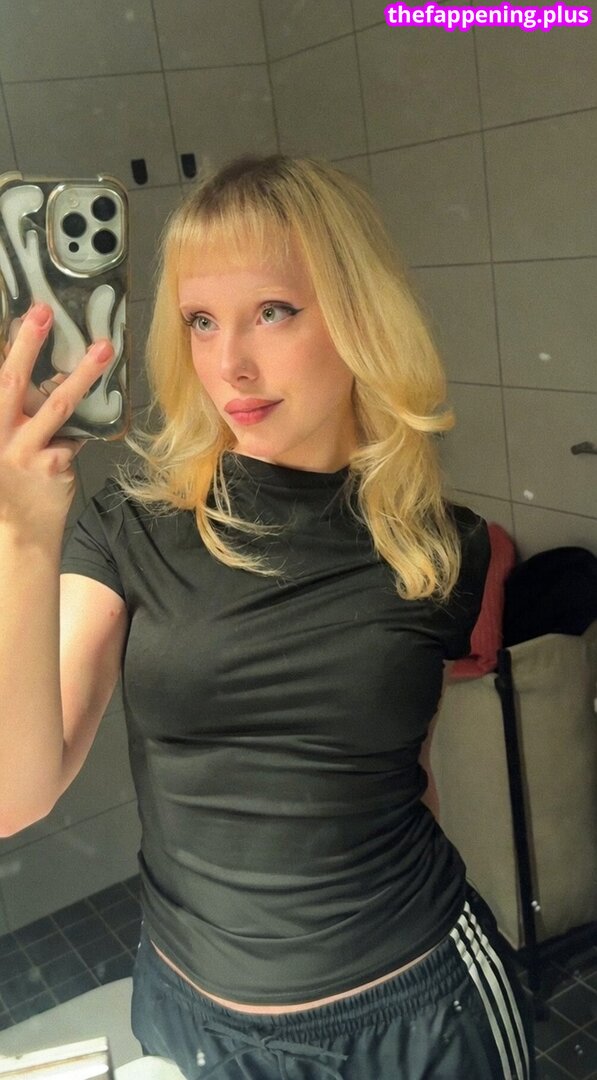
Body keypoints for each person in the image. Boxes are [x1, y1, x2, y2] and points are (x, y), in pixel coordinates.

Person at [0, 154, 535, 1079]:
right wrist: (21, 534)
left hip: (421, 1010)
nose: (228, 365)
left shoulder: (438, 545)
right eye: (201, 321)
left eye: (273, 311)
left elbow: (400, 773)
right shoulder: (131, 524)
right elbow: (16, 795)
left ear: (359, 316)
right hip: (197, 1021)